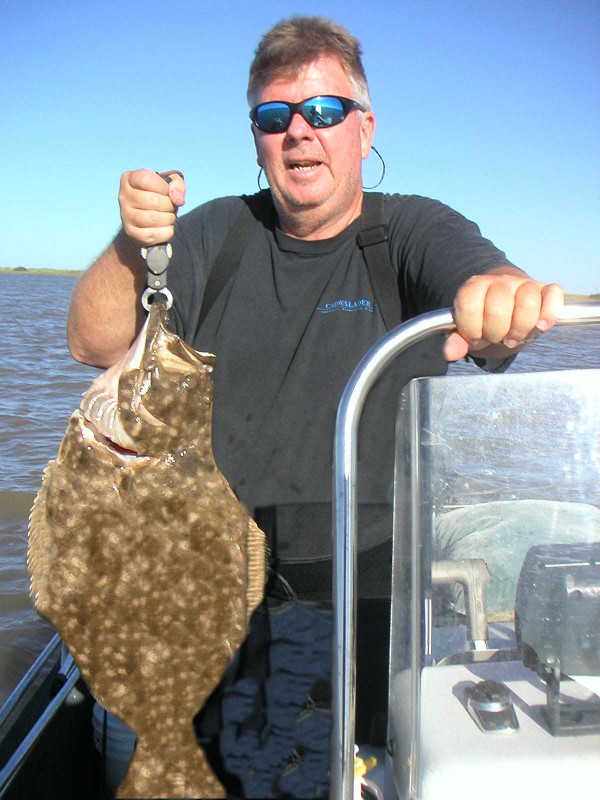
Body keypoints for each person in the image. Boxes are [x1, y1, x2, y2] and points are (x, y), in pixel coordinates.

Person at [67, 15, 564, 799]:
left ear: (364, 129)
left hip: (365, 590)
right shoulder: (215, 235)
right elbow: (94, 343)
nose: (300, 132)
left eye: (325, 112)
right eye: (276, 117)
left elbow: (479, 283)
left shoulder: (410, 230)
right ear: (258, 137)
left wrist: (499, 295)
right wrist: (135, 244)